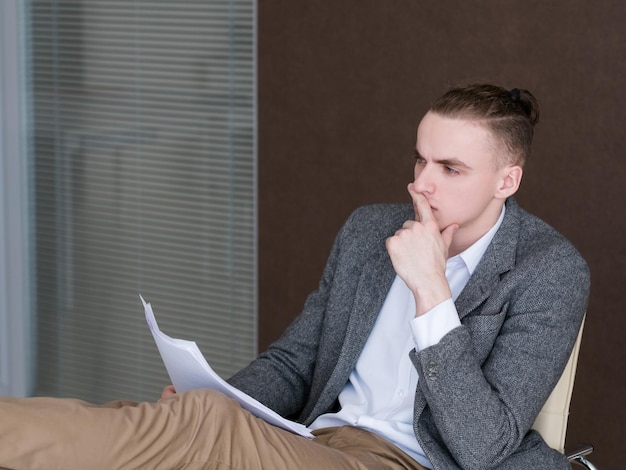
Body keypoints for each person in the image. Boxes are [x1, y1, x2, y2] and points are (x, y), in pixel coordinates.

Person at [0, 83, 589, 470]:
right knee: (162, 421)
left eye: (450, 168)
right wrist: (218, 392)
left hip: (407, 461)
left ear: (505, 181)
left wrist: (431, 290)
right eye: (420, 159)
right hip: (316, 441)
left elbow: (484, 445)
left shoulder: (549, 271)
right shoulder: (370, 231)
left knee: (197, 430)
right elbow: (294, 363)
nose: (422, 183)